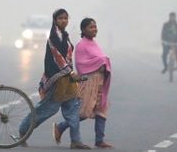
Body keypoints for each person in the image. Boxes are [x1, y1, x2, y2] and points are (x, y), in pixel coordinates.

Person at [18, 9, 91, 149]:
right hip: (56, 81)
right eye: (60, 18)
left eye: (66, 18)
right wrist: (71, 73)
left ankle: (76, 141)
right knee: (45, 111)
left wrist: (72, 74)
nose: (64, 21)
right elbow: (58, 58)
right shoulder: (53, 37)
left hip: (68, 82)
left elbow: (68, 58)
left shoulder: (65, 36)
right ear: (55, 20)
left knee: (72, 110)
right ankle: (22, 132)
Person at [54, 18, 114, 149]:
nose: (94, 29)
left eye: (95, 27)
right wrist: (102, 61)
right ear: (83, 30)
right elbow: (81, 64)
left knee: (101, 109)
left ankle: (99, 140)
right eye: (91, 27)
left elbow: (98, 60)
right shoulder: (81, 45)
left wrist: (102, 63)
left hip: (99, 82)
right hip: (88, 82)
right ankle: (61, 126)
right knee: (84, 112)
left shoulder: (94, 44)